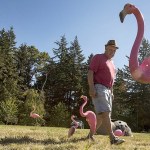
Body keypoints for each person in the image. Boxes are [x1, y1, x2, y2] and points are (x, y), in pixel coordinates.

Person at [87, 40, 125, 144]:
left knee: (100, 117)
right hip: (99, 87)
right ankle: (113, 138)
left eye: (114, 50)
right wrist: (91, 87)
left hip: (108, 90)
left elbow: (111, 81)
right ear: (105, 48)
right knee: (106, 113)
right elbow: (90, 72)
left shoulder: (112, 64)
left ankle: (90, 136)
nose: (112, 52)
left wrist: (112, 92)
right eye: (110, 49)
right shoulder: (98, 57)